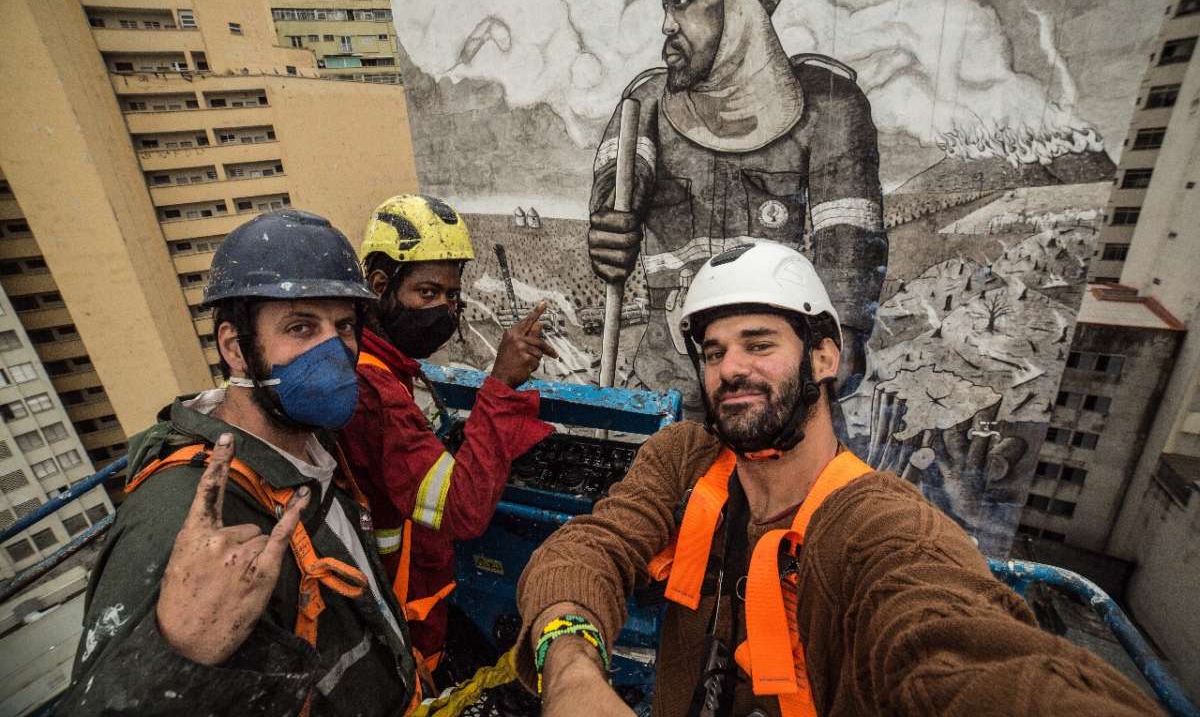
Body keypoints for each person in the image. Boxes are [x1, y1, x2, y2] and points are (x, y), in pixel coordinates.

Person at [516, 241, 1158, 717]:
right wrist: (572, 670)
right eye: (713, 352)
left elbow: (956, 650)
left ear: (824, 357)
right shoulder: (686, 459)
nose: (730, 369)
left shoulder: (884, 528)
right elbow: (590, 547)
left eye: (759, 343)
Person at [58, 210, 417, 716]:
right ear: (236, 348)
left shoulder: (314, 449)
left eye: (343, 327)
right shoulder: (180, 516)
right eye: (300, 327)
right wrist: (180, 654)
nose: (334, 351)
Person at [587, 0, 888, 411]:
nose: (667, 24)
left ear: (739, 0)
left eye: (682, 1)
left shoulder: (830, 105)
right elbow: (613, 197)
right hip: (668, 397)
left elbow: (850, 258)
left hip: (772, 401)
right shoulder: (645, 106)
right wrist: (609, 231)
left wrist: (829, 364)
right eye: (667, 4)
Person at [340, 193, 558, 673]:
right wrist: (499, 385)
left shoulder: (375, 363)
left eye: (452, 295)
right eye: (428, 293)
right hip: (404, 611)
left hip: (409, 591)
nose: (444, 309)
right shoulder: (374, 390)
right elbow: (463, 510)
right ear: (380, 285)